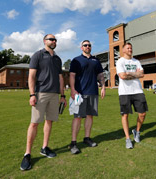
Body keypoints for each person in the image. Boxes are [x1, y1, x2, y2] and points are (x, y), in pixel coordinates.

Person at [20, 34, 67, 170]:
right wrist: (32, 94)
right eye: (51, 39)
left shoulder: (58, 59)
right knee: (34, 123)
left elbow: (60, 78)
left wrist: (63, 95)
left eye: (55, 40)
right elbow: (32, 76)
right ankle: (27, 154)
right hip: (40, 94)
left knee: (49, 121)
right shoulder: (38, 55)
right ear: (44, 41)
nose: (54, 41)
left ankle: (44, 147)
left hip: (54, 95)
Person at [69, 40, 106, 154]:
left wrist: (103, 87)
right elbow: (72, 75)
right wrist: (73, 89)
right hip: (79, 93)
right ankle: (73, 143)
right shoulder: (76, 60)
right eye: (85, 45)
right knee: (78, 117)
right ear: (81, 48)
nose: (88, 47)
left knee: (90, 116)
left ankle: (87, 138)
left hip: (93, 92)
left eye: (89, 45)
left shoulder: (96, 60)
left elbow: (100, 75)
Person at [116, 42, 148, 149]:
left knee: (142, 113)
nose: (130, 50)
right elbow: (122, 76)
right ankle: (127, 138)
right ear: (123, 50)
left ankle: (137, 131)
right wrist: (135, 74)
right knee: (125, 115)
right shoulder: (120, 61)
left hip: (137, 90)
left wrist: (129, 73)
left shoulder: (136, 61)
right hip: (124, 92)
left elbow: (142, 74)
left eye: (131, 48)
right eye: (128, 48)